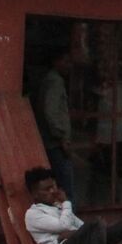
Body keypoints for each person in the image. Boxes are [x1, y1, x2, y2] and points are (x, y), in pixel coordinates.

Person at [35, 50, 77, 197]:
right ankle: (69, 219)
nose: (69, 65)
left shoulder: (50, 80)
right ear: (56, 62)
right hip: (55, 144)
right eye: (65, 61)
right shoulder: (55, 81)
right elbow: (51, 112)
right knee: (66, 189)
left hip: (51, 142)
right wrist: (62, 137)